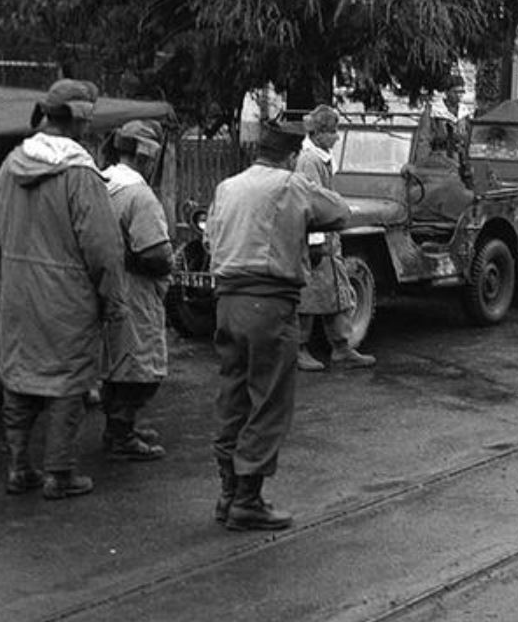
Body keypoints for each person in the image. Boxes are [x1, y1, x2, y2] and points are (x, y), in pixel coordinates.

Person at [206, 121, 351, 531]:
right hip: (269, 302)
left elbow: (210, 241)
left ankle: (228, 492)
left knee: (233, 395)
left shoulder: (228, 186)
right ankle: (248, 500)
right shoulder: (291, 184)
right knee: (268, 399)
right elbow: (337, 212)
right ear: (290, 156)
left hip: (227, 301)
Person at [0, 79, 125, 500]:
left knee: (20, 376)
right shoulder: (79, 173)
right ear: (80, 120)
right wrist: (112, 299)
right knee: (67, 378)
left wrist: (7, 279)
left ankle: (18, 468)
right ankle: (60, 473)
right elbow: (103, 248)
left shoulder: (12, 164)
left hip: (18, 292)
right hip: (67, 296)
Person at [99, 120, 172, 461]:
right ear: (147, 155)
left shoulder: (102, 183)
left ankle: (118, 427)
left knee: (114, 361)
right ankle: (121, 433)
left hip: (105, 288)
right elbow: (155, 253)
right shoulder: (138, 195)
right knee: (140, 366)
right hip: (135, 290)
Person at [295, 106, 375, 372]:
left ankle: (341, 347)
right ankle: (299, 348)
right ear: (318, 133)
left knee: (337, 292)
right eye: (332, 132)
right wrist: (316, 241)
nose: (336, 137)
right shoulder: (309, 161)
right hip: (316, 239)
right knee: (309, 294)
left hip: (329, 238)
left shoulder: (323, 157)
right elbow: (311, 203)